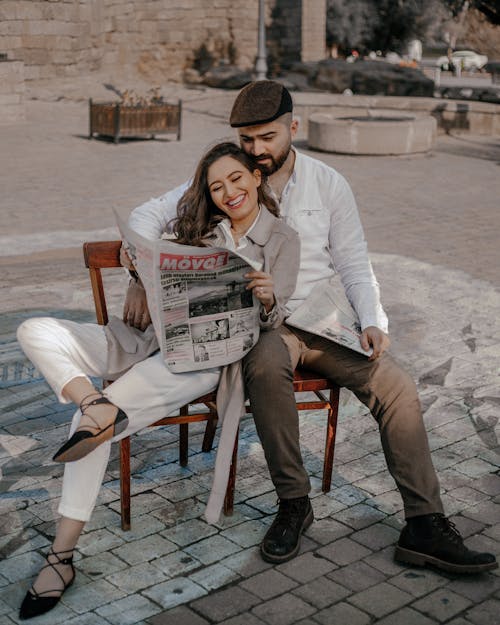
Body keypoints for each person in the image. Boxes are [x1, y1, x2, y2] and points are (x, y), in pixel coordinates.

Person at [126, 81, 497, 576]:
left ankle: (425, 524)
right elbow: (146, 216)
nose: (256, 151)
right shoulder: (232, 179)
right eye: (247, 139)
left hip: (323, 322)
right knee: (265, 363)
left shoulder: (329, 184)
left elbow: (354, 262)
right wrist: (139, 274)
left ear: (293, 128)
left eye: (267, 137)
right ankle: (294, 504)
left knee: (397, 385)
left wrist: (372, 321)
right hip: (264, 326)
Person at [16, 141, 300, 620]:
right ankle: (92, 402)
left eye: (235, 179)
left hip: (197, 360)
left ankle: (60, 559)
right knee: (35, 330)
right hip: (141, 339)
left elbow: (273, 326)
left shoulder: (282, 239)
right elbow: (144, 242)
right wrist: (137, 278)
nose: (229, 191)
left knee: (85, 434)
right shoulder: (195, 229)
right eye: (216, 186)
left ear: (255, 178)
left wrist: (269, 300)